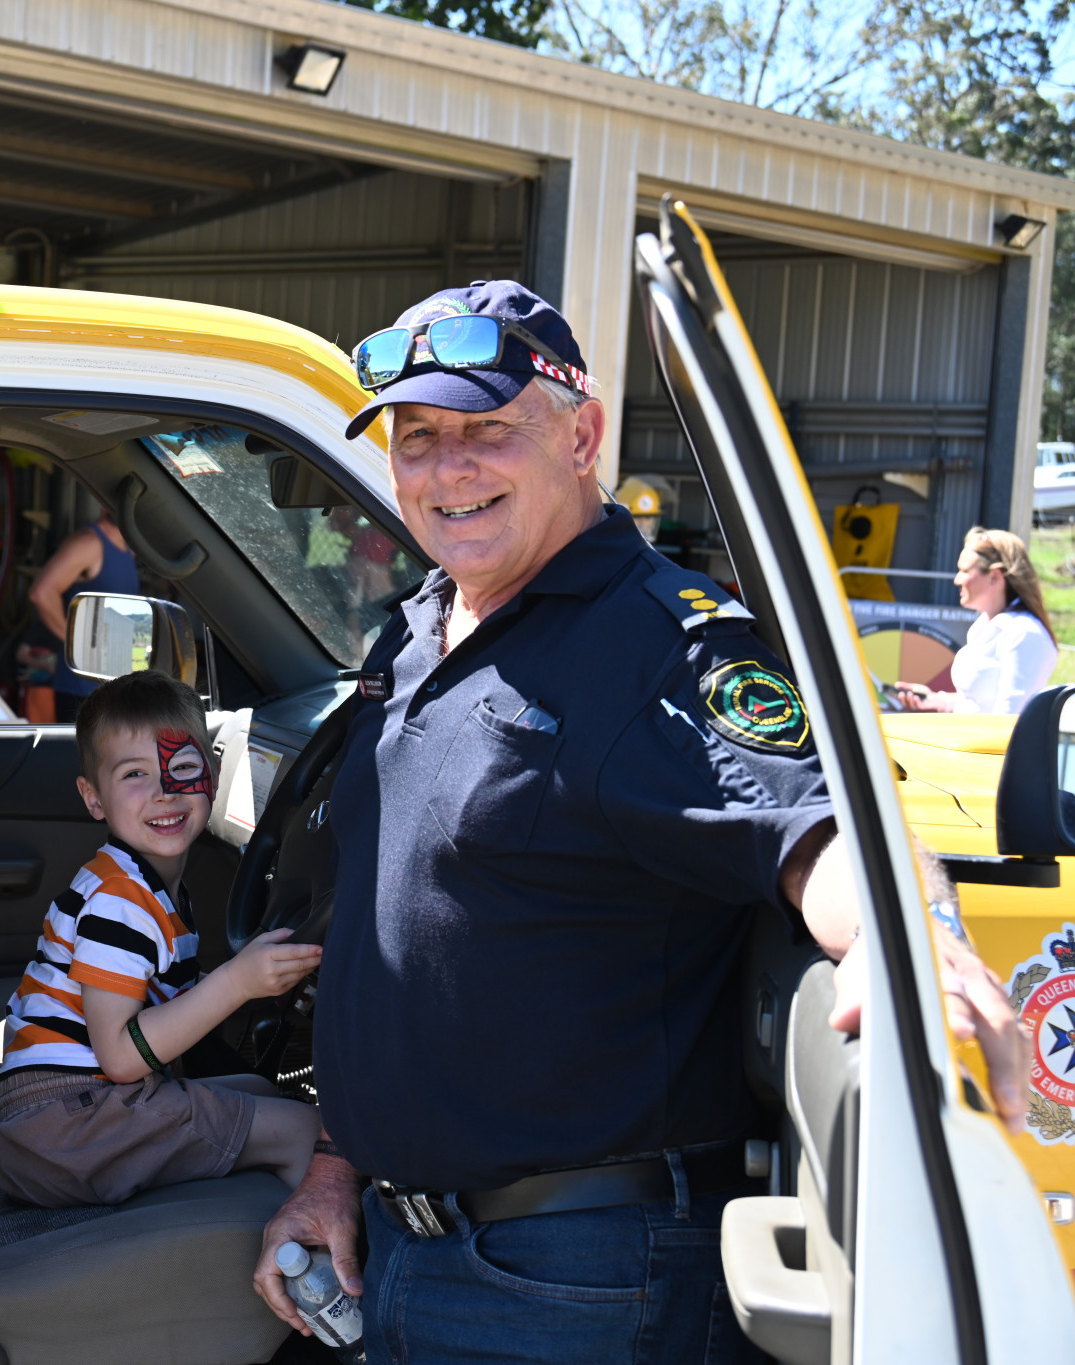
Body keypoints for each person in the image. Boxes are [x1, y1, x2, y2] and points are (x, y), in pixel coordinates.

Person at [249, 282, 1027, 1363]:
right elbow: (399, 935)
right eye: (415, 437)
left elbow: (827, 828)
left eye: (485, 430)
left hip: (573, 1278)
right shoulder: (425, 623)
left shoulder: (663, 646)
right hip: (398, 1243)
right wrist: (336, 1169)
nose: (444, 468)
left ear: (581, 435)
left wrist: (911, 943)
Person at [0, 670, 324, 1207]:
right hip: (73, 1125)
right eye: (135, 775)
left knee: (262, 1090)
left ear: (212, 775)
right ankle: (331, 1279)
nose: (165, 791)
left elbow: (150, 995)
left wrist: (248, 981)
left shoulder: (139, 884)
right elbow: (120, 1057)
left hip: (63, 1118)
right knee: (308, 1130)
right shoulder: (122, 902)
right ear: (94, 799)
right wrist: (236, 983)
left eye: (183, 767)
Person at [895, 525, 1059, 714]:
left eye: (964, 571)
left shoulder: (1024, 633)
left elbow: (1009, 721)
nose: (957, 580)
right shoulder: (984, 625)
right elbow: (978, 703)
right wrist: (937, 700)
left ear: (994, 577)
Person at [28, 514, 141, 721]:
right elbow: (42, 593)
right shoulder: (90, 543)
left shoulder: (126, 550)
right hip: (81, 691)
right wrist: (78, 648)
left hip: (113, 688)